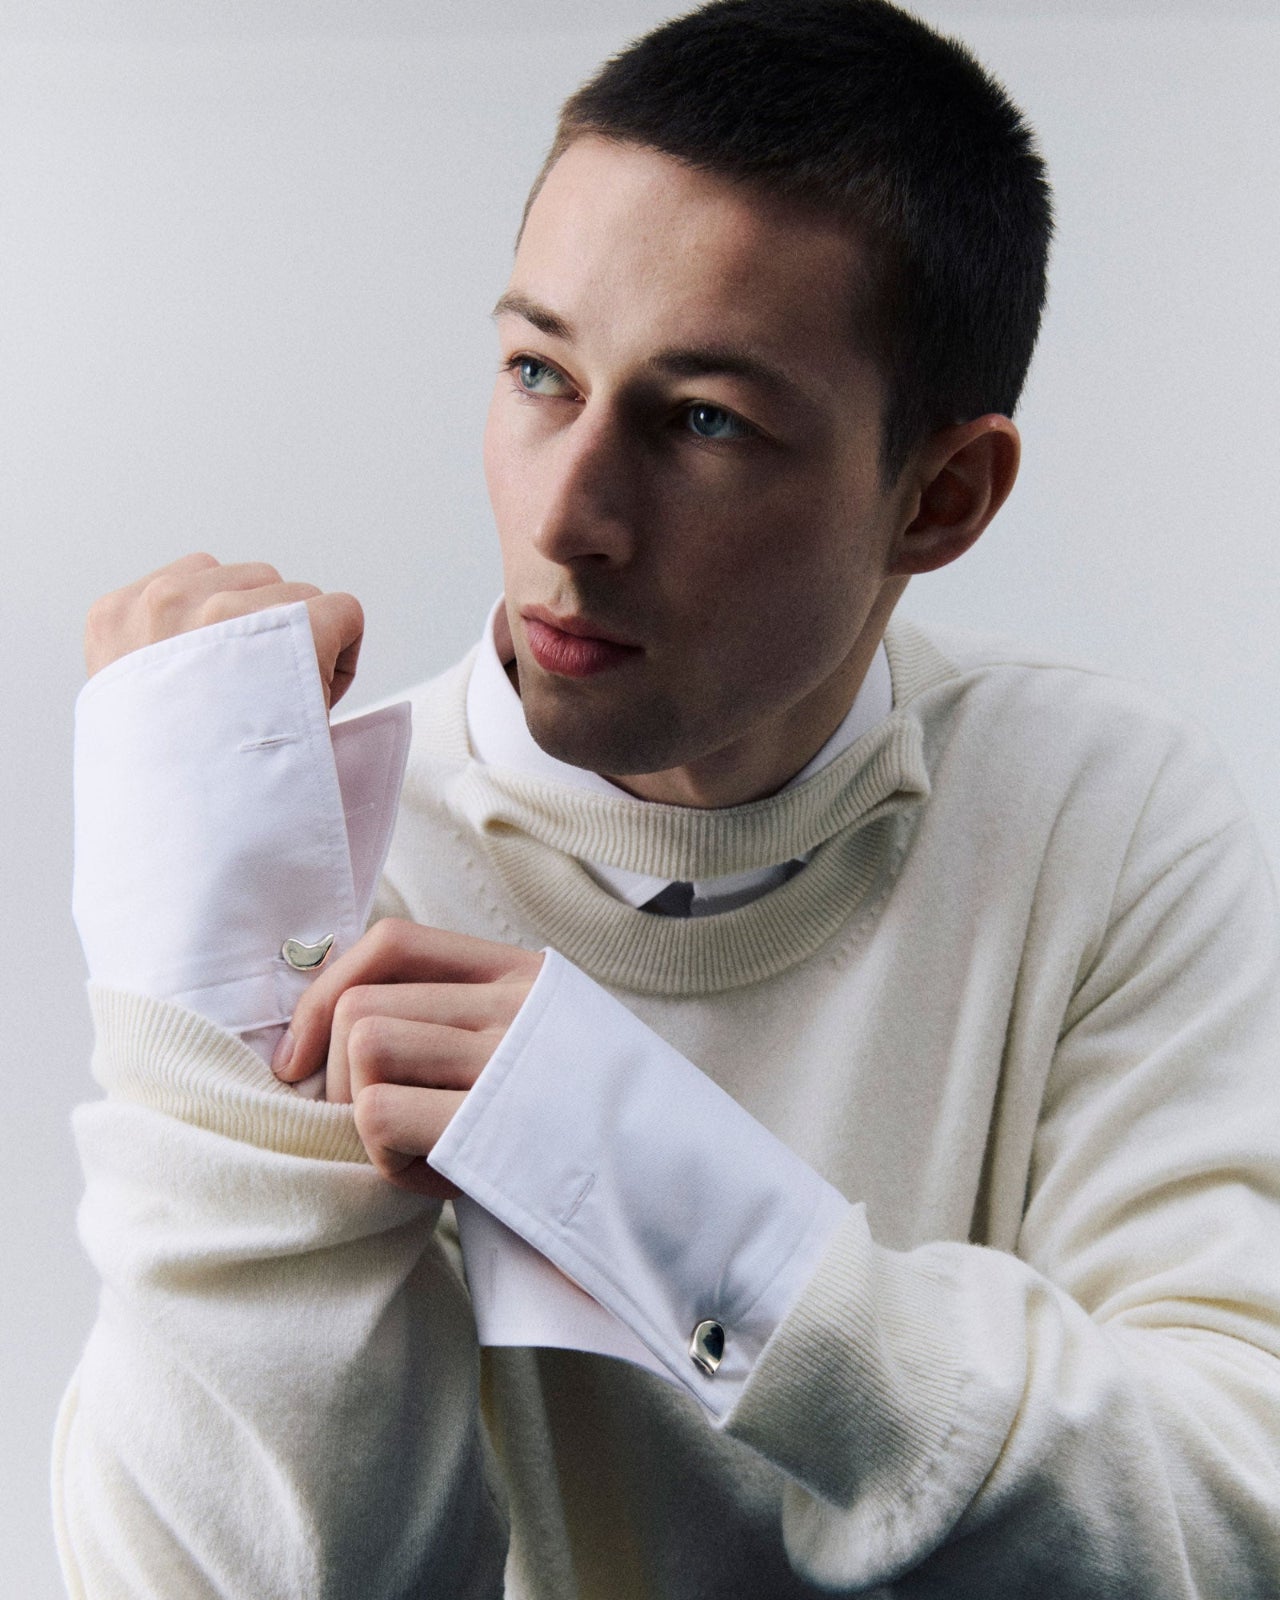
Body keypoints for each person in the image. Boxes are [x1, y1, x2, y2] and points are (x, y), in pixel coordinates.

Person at [57, 0, 1280, 1595]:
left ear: (942, 497)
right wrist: (203, 991)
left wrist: (657, 1190)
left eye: (704, 420)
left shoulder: (1103, 814)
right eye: (536, 370)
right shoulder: (314, 858)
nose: (569, 516)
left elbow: (1227, 1515)